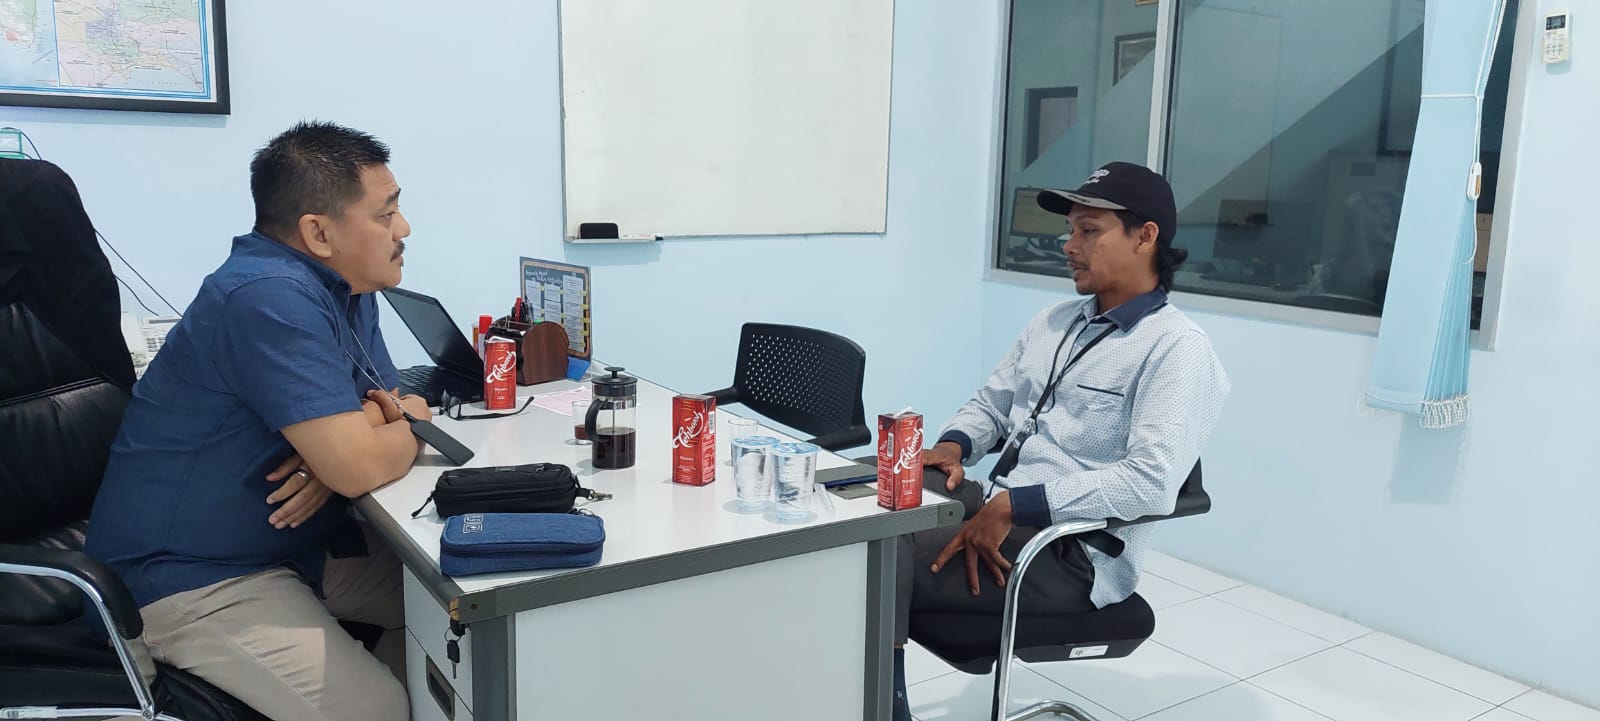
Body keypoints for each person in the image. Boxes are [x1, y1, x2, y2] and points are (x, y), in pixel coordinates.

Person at [86, 121, 428, 721]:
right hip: (190, 577)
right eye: (386, 214)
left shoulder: (348, 287)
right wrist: (350, 454)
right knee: (375, 710)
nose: (404, 229)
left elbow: (395, 403)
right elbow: (364, 459)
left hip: (292, 546)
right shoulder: (268, 296)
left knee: (452, 604)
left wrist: (343, 452)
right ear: (318, 232)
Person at [891, 162, 1231, 718]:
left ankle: (885, 704)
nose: (1069, 246)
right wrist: (954, 445)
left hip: (1070, 555)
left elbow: (1151, 483)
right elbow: (992, 404)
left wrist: (1017, 504)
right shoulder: (1056, 320)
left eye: (1089, 231)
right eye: (1070, 230)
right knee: (874, 496)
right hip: (1000, 507)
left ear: (1145, 237)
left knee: (878, 552)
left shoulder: (1176, 349)